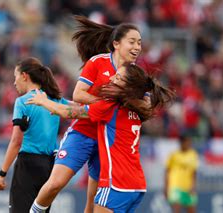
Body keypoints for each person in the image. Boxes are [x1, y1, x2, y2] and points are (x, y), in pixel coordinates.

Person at [30, 15, 144, 213]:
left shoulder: (135, 75)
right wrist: (108, 104)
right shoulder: (98, 62)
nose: (137, 47)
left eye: (140, 43)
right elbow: (78, 95)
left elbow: (146, 104)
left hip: (108, 140)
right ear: (116, 44)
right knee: (56, 183)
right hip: (84, 129)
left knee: (93, 200)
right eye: (132, 42)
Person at [28, 63, 174, 212]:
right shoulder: (137, 109)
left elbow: (69, 113)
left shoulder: (110, 107)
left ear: (128, 86)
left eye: (117, 77)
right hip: (136, 185)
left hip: (116, 183)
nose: (111, 78)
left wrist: (43, 101)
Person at [0, 57, 69, 213]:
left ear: (24, 76)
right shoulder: (55, 100)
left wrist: (2, 173)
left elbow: (16, 141)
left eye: (15, 77)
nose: (14, 82)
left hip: (27, 166)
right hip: (49, 168)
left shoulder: (23, 102)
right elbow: (80, 110)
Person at [164, 135, 199, 213]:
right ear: (181, 143)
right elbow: (167, 171)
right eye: (187, 142)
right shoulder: (173, 155)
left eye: (189, 142)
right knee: (177, 209)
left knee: (192, 209)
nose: (189, 144)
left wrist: (193, 186)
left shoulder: (193, 154)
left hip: (188, 187)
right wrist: (166, 187)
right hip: (175, 186)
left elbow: (194, 172)